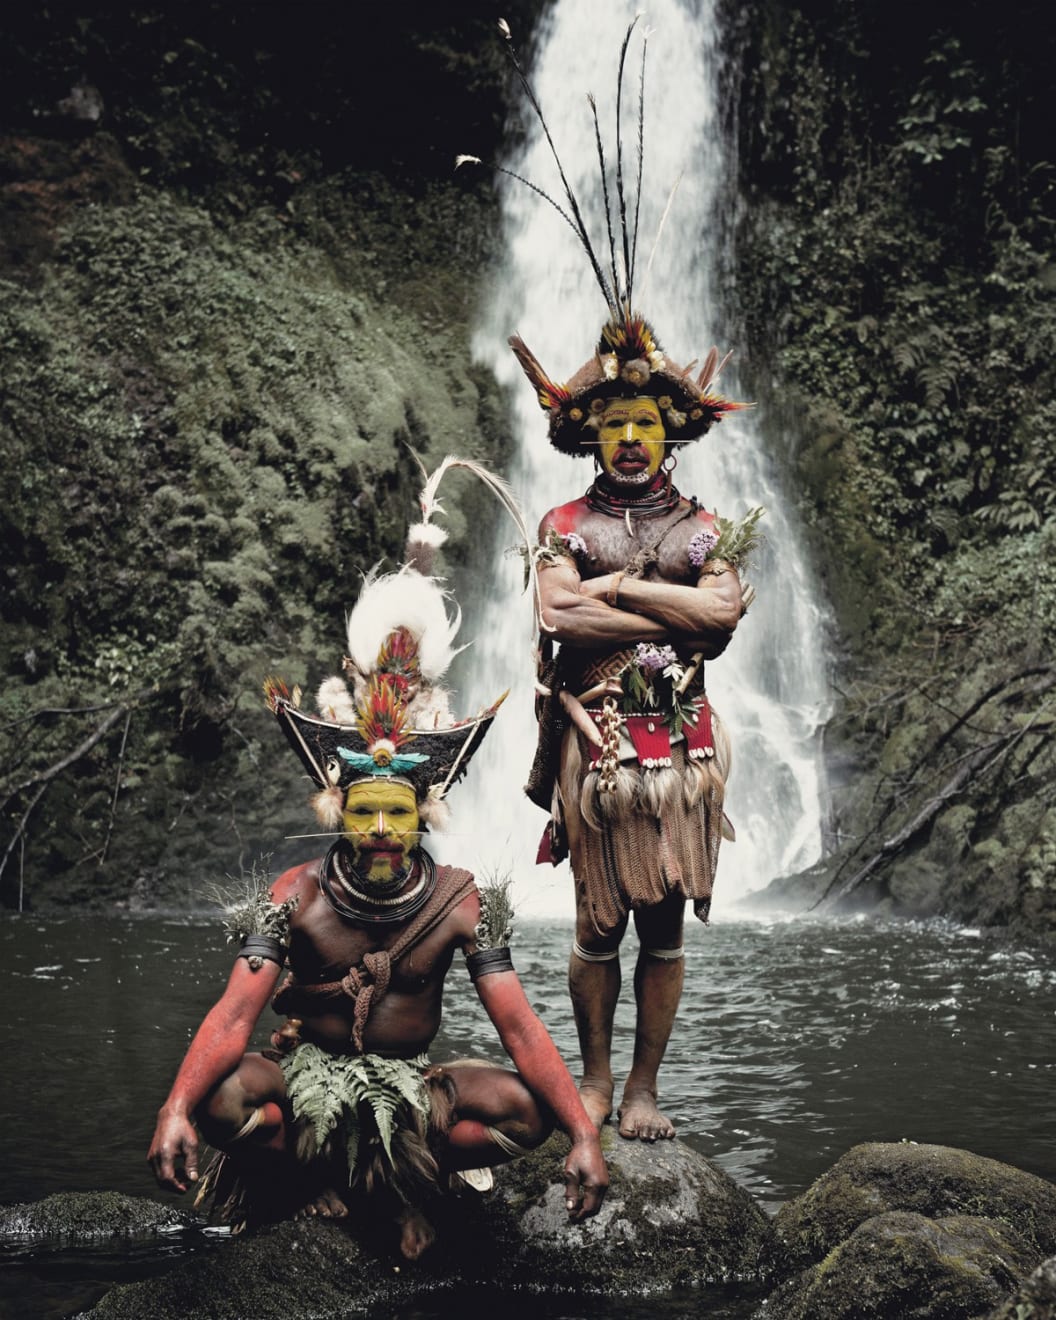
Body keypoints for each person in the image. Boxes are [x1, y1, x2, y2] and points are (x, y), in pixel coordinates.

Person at [148, 477, 608, 1259]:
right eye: (367, 812)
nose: (385, 830)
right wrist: (174, 1108)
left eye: (400, 811)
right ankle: (343, 1185)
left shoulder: (464, 901)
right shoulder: (294, 896)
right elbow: (233, 1018)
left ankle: (376, 1177)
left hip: (409, 1088)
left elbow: (519, 1025)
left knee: (524, 1116)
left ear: (426, 812)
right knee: (224, 1102)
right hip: (306, 1090)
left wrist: (581, 1133)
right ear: (338, 812)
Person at [513, 316, 759, 1145]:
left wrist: (611, 593)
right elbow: (556, 611)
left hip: (683, 742)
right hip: (596, 741)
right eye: (614, 423)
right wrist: (669, 607)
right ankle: (593, 1077)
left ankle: (644, 1090)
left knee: (664, 923)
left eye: (644, 424)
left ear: (668, 437)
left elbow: (723, 613)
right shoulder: (564, 523)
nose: (629, 438)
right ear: (590, 434)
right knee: (596, 921)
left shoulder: (702, 526)